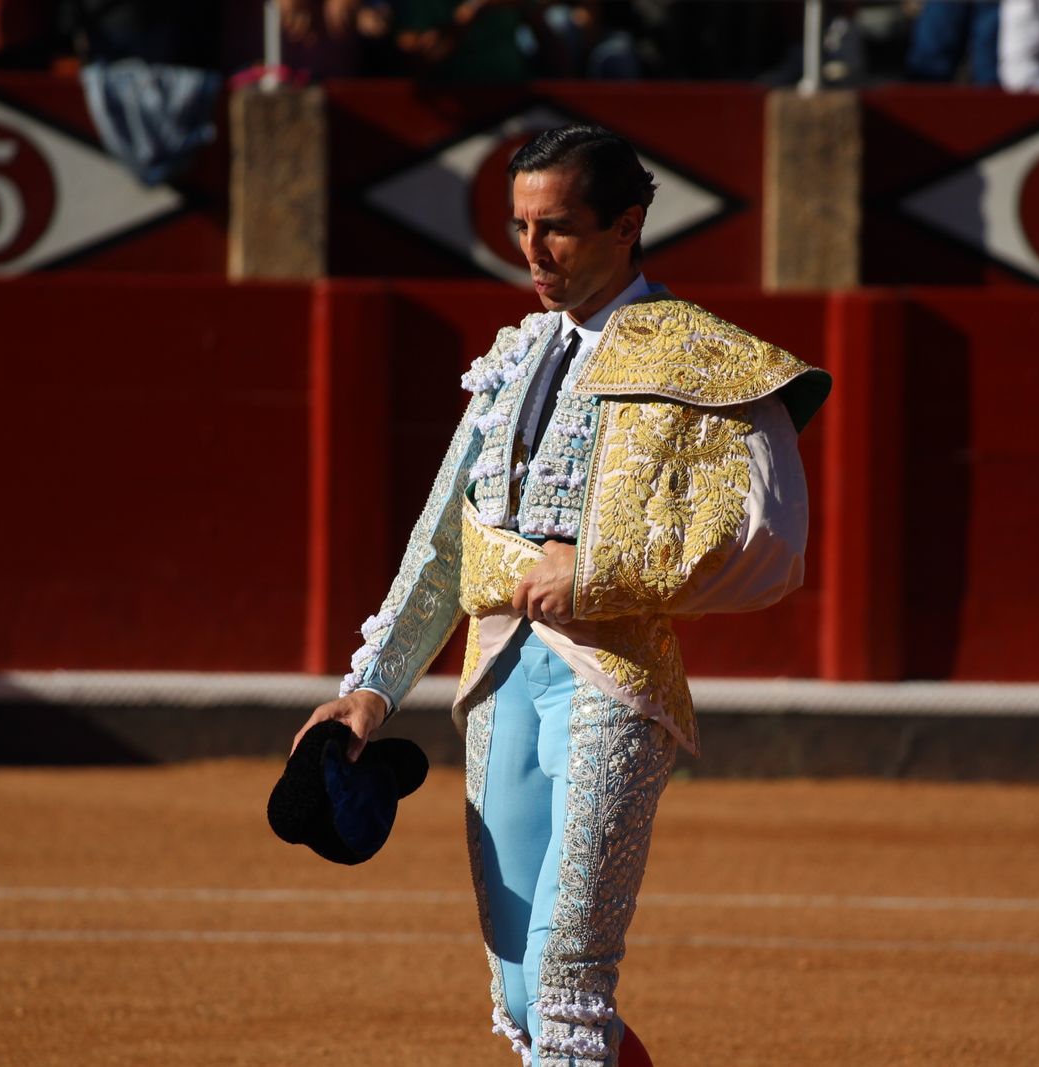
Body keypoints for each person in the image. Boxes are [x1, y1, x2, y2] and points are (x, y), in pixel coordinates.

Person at [291, 124, 829, 1067]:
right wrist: (372, 685)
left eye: (559, 229)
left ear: (627, 226)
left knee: (567, 983)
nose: (533, 253)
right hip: (498, 671)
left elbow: (769, 536)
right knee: (518, 986)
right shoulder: (513, 357)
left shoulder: (699, 355)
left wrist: (603, 569)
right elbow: (447, 538)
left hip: (612, 679)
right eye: (519, 227)